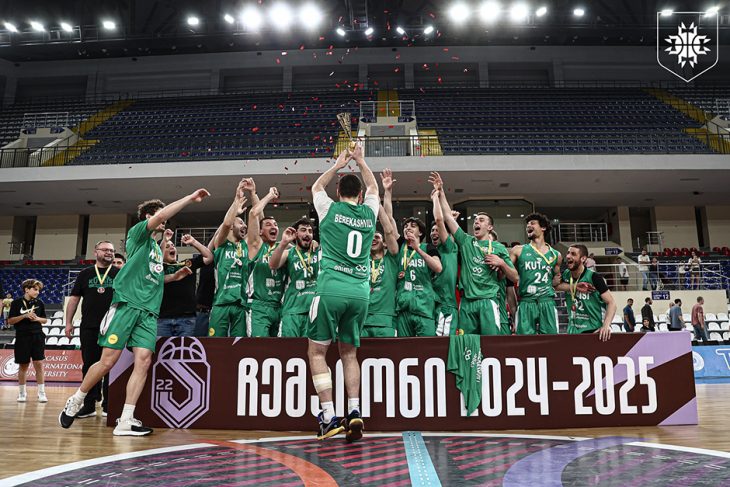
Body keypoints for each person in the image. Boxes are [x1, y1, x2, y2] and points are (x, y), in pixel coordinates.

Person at [59, 188, 210, 436]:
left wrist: (173, 277)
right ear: (148, 217)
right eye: (159, 215)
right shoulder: (138, 234)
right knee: (108, 362)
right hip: (127, 305)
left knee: (144, 361)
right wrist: (189, 199)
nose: (164, 220)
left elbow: (154, 278)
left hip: (149, 313)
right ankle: (76, 400)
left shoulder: (155, 251)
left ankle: (126, 420)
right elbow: (161, 217)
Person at [308, 144, 378, 442]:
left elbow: (316, 187)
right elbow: (375, 186)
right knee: (349, 353)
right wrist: (360, 160)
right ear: (360, 195)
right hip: (360, 293)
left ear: (338, 193)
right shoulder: (369, 213)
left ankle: (328, 416)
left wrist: (338, 164)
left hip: (330, 289)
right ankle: (354, 410)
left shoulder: (329, 209)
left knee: (317, 352)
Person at [430, 172, 518, 335]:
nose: (477, 222)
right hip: (467, 303)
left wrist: (501, 263)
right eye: (476, 220)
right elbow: (448, 217)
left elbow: (515, 277)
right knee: (467, 343)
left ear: (490, 227)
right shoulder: (466, 241)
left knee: (491, 343)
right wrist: (441, 192)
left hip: (488, 301)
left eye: (481, 220)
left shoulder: (498, 247)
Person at [64, 241, 120, 418]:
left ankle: (108, 405)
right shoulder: (85, 274)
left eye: (111, 250)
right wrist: (68, 322)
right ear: (96, 252)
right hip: (89, 326)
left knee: (110, 366)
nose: (109, 253)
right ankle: (89, 405)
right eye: (105, 250)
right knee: (89, 365)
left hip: (113, 326)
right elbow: (74, 299)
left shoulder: (119, 273)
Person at [209, 179, 252, 337]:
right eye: (240, 222)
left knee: (239, 346)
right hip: (221, 303)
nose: (244, 226)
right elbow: (226, 223)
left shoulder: (246, 246)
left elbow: (256, 221)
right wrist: (236, 201)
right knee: (215, 345)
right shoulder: (221, 244)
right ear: (233, 226)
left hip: (241, 305)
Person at [360, 170, 400, 338]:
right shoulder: (361, 260)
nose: (373, 239)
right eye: (370, 238)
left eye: (377, 237)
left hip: (386, 320)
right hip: (362, 318)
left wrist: (377, 201)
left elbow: (389, 229)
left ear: (384, 243)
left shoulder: (392, 258)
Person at [510, 213, 562, 335]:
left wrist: (554, 283)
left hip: (547, 302)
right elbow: (506, 274)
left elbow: (557, 280)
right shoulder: (518, 250)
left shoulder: (556, 255)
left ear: (543, 228)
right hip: (526, 301)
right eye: (527, 224)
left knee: (551, 341)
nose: (528, 225)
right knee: (523, 342)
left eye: (532, 223)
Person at [268, 217, 320, 337]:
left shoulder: (318, 251)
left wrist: (317, 243)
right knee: (289, 347)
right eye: (303, 230)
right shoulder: (289, 253)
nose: (307, 234)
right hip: (292, 311)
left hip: (314, 311)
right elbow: (272, 265)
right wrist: (284, 242)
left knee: (313, 348)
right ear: (296, 234)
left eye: (310, 231)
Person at [245, 187, 285, 337]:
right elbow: (254, 214)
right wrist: (269, 195)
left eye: (275, 225)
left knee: (280, 348)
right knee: (259, 347)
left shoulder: (283, 249)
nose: (273, 227)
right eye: (268, 225)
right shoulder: (256, 246)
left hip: (279, 306)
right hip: (258, 307)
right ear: (260, 232)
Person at [158, 233, 213, 336]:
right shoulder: (157, 270)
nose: (172, 247)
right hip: (162, 319)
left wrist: (193, 242)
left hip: (186, 319)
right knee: (162, 347)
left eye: (173, 245)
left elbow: (209, 257)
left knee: (186, 347)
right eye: (167, 246)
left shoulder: (186, 264)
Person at [556, 245, 615, 340]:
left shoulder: (594, 277)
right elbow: (554, 286)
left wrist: (606, 325)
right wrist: (575, 286)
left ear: (583, 258)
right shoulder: (566, 274)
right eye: (568, 253)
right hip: (572, 332)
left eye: (573, 254)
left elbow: (611, 303)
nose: (568, 256)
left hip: (593, 331)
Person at [7, 279, 48, 402]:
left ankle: (41, 393)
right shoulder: (16, 303)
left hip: (37, 336)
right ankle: (22, 393)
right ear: (26, 289)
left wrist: (37, 319)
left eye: (38, 290)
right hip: (22, 337)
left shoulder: (40, 303)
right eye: (35, 289)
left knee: (39, 364)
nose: (37, 292)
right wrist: (24, 316)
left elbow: (45, 320)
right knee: (23, 366)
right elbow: (10, 321)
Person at [430, 189, 459, 336]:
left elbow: (440, 220)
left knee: (443, 344)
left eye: (437, 230)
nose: (434, 233)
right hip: (431, 305)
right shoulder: (429, 252)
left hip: (446, 306)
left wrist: (436, 197)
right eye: (432, 230)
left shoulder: (449, 248)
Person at [194, 262, 215, 337]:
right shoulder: (202, 262)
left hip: (219, 312)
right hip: (202, 311)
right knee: (198, 341)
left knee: (218, 342)